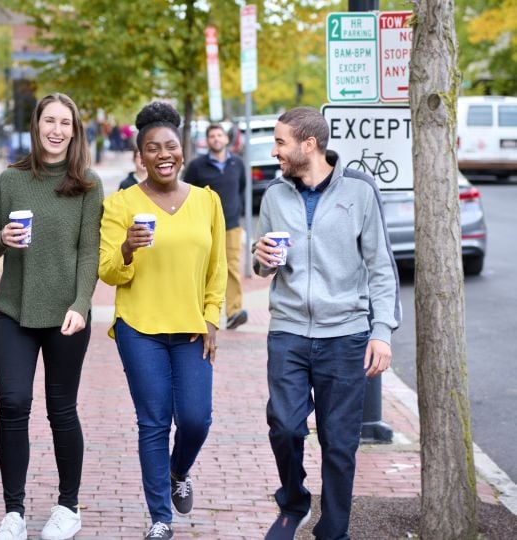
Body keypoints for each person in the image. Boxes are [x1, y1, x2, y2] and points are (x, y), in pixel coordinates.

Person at [252, 107, 400, 540]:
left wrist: (382, 332)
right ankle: (294, 501)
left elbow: (380, 268)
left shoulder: (359, 191)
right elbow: (262, 267)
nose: (274, 150)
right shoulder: (275, 196)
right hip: (289, 331)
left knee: (339, 444)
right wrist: (261, 262)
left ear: (309, 145)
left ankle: (333, 530)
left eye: (280, 142)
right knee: (284, 425)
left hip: (346, 335)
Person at [0, 93, 103, 540]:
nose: (56, 130)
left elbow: (90, 252)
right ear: (36, 124)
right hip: (14, 310)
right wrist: (2, 239)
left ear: (74, 129)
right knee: (12, 405)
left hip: (66, 315)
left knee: (61, 410)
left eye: (65, 122)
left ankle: (68, 507)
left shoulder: (87, 183)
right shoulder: (11, 180)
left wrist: (81, 305)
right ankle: (14, 513)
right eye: (49, 120)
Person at [99, 101, 226, 540]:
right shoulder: (120, 205)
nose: (163, 154)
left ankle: (178, 471)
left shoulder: (208, 202)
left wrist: (211, 319)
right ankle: (160, 518)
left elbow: (217, 269)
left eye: (170, 146)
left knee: (195, 419)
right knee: (153, 422)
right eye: (153, 148)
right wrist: (129, 249)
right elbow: (108, 271)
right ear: (141, 156)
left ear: (182, 150)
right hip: (139, 328)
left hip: (192, 328)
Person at [184, 123, 249, 330]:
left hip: (231, 225)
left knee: (231, 267)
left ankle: (234, 311)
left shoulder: (238, 164)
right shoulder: (196, 166)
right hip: (204, 227)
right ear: (207, 140)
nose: (216, 139)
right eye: (212, 136)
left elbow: (241, 189)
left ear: (226, 139)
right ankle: (201, 312)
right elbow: (187, 193)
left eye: (220, 135)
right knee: (204, 269)